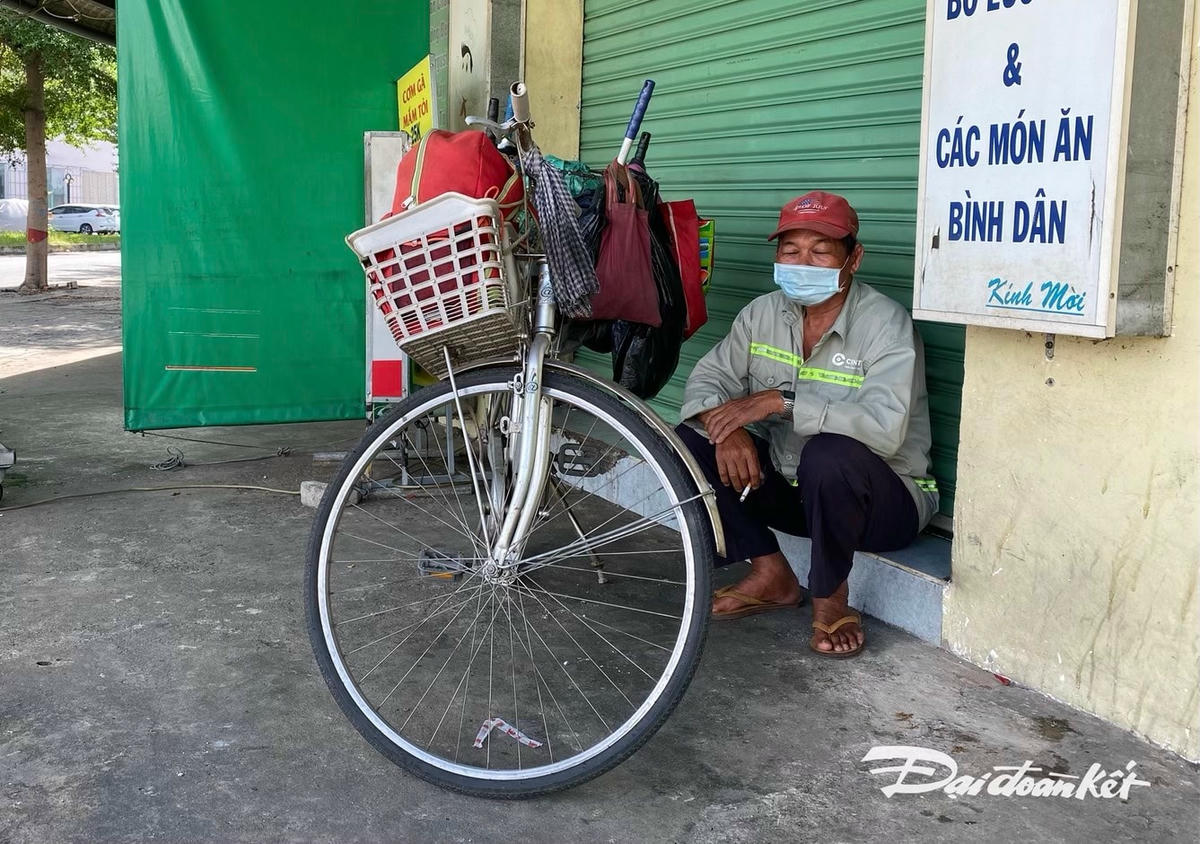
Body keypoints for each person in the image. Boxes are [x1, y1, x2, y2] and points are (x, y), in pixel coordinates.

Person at [676, 190, 938, 658]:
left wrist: (784, 402)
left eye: (821, 251)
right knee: (690, 439)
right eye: (791, 250)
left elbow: (885, 428)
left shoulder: (885, 324)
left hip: (882, 503)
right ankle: (771, 572)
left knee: (829, 452)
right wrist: (728, 429)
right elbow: (709, 378)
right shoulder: (761, 313)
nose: (804, 262)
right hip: (798, 493)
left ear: (853, 258)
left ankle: (831, 597)